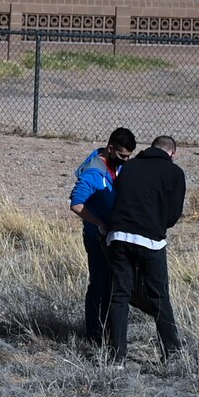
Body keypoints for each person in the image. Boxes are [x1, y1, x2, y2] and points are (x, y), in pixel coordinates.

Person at [105, 134, 185, 364]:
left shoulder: (129, 168)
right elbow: (171, 216)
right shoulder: (174, 173)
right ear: (172, 153)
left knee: (119, 295)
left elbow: (118, 197)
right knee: (159, 297)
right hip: (150, 241)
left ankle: (117, 357)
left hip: (118, 236)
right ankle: (172, 354)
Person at [69, 127, 136, 348]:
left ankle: (107, 330)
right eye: (122, 156)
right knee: (99, 284)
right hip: (97, 237)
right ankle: (94, 334)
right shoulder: (93, 172)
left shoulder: (115, 166)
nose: (126, 160)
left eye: (129, 156)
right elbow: (77, 204)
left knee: (110, 284)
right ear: (110, 148)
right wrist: (100, 224)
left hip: (112, 235)